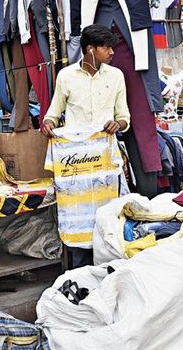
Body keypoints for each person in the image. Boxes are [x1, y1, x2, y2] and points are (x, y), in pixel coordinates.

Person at [41, 24, 130, 268]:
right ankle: (79, 275)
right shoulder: (66, 76)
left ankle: (108, 269)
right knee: (77, 217)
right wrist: (48, 124)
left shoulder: (116, 76)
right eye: (106, 47)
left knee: (107, 216)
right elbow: (53, 112)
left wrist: (117, 124)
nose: (111, 52)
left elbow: (125, 117)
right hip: (76, 165)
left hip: (104, 160)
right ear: (90, 50)